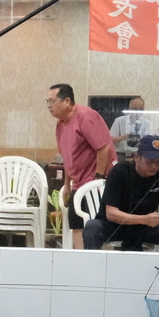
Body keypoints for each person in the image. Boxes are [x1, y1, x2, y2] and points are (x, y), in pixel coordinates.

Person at [86, 134, 159, 251]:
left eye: (158, 162)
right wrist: (144, 219)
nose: (154, 166)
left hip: (145, 227)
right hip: (115, 226)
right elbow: (111, 213)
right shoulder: (120, 171)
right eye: (150, 161)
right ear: (137, 157)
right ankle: (92, 262)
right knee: (92, 226)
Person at [48, 83, 113, 232]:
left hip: (96, 182)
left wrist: (98, 179)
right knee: (76, 222)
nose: (49, 106)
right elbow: (68, 158)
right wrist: (67, 184)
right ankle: (79, 249)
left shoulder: (85, 116)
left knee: (94, 227)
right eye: (47, 102)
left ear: (67, 101)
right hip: (78, 183)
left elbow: (103, 147)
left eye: (52, 101)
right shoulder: (60, 124)